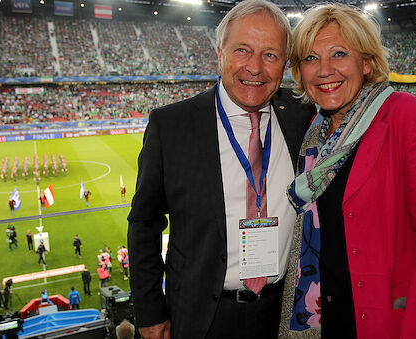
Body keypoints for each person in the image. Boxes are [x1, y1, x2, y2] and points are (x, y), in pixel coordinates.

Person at [127, 1, 315, 338]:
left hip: (282, 313)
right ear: (220, 53)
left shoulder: (303, 115)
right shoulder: (172, 125)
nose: (255, 68)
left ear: (285, 64)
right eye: (242, 50)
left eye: (270, 55)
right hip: (202, 316)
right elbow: (144, 222)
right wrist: (150, 311)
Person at [279, 4, 416, 338]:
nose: (324, 70)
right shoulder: (313, 131)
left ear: (366, 62)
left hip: (384, 321)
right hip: (322, 318)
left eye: (339, 54)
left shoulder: (411, 119)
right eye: (310, 58)